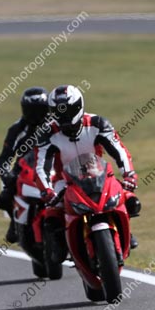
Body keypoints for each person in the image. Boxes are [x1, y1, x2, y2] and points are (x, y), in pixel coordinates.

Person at [36, 85, 141, 248]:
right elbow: (41, 165)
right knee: (52, 215)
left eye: (67, 111)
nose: (64, 117)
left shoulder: (98, 123)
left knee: (130, 199)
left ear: (78, 107)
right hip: (64, 181)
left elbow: (119, 150)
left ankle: (124, 230)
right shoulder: (47, 133)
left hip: (99, 175)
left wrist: (129, 174)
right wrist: (46, 190)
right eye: (58, 112)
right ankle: (60, 245)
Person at [0, 87, 51, 243]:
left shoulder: (57, 125)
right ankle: (15, 223)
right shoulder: (16, 129)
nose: (35, 115)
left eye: (39, 110)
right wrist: (7, 176)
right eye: (31, 110)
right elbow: (3, 159)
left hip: (54, 167)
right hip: (25, 170)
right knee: (4, 198)